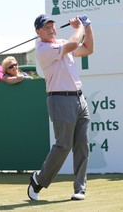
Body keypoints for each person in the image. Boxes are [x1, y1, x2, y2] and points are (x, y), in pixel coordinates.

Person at [27, 14, 94, 201]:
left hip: (80, 98)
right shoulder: (43, 49)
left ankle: (80, 188)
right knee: (63, 145)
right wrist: (79, 27)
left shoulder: (64, 42)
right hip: (59, 99)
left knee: (82, 144)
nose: (50, 29)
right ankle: (38, 180)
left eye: (52, 25)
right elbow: (73, 45)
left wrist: (87, 27)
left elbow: (88, 49)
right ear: (38, 32)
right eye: (45, 27)